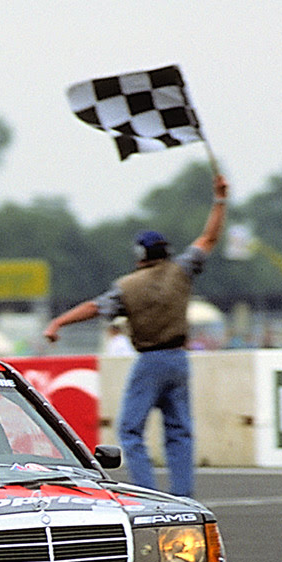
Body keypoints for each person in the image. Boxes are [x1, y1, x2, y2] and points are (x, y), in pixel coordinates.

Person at [43, 172, 228, 496]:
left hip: (150, 360)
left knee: (130, 431)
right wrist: (220, 199)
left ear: (140, 254)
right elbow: (209, 238)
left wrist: (59, 322)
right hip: (179, 359)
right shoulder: (181, 270)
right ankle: (183, 495)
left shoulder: (128, 286)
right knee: (180, 432)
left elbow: (94, 307)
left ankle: (147, 492)